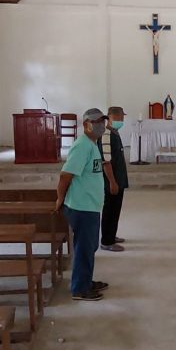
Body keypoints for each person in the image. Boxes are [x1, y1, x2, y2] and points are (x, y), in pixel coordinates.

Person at [55, 108, 110, 301]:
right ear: (86, 125)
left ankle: (85, 281)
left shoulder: (92, 144)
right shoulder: (81, 146)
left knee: (89, 246)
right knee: (84, 248)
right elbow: (65, 175)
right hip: (81, 206)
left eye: (103, 121)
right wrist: (60, 199)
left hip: (90, 206)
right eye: (97, 122)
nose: (101, 125)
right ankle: (79, 289)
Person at [98, 106, 129, 252]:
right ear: (111, 117)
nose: (122, 120)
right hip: (112, 181)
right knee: (110, 210)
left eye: (122, 118)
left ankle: (112, 235)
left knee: (115, 209)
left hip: (118, 179)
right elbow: (106, 162)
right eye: (120, 118)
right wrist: (112, 182)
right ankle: (106, 241)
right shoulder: (106, 134)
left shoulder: (114, 132)